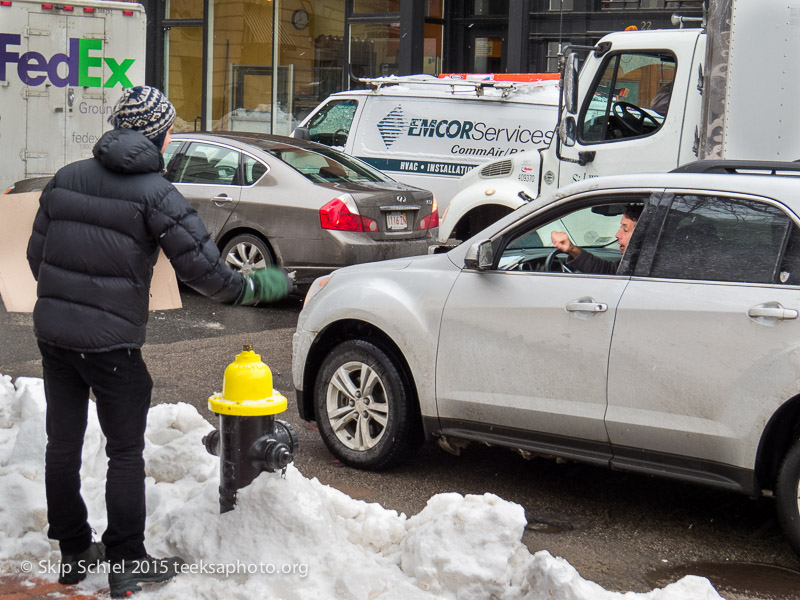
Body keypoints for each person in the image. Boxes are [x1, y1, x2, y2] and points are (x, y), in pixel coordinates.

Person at [26, 86, 291, 597]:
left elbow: (39, 260)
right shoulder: (155, 192)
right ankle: (127, 562)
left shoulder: (65, 178)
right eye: (169, 130)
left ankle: (74, 552)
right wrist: (260, 285)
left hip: (55, 337)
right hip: (112, 346)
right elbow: (207, 271)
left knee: (62, 443)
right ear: (157, 134)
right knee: (125, 451)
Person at [550, 204, 643, 274]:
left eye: (625, 230)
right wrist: (572, 249)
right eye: (620, 227)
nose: (617, 235)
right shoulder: (635, 263)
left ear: (643, 235)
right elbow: (608, 271)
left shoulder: (644, 269)